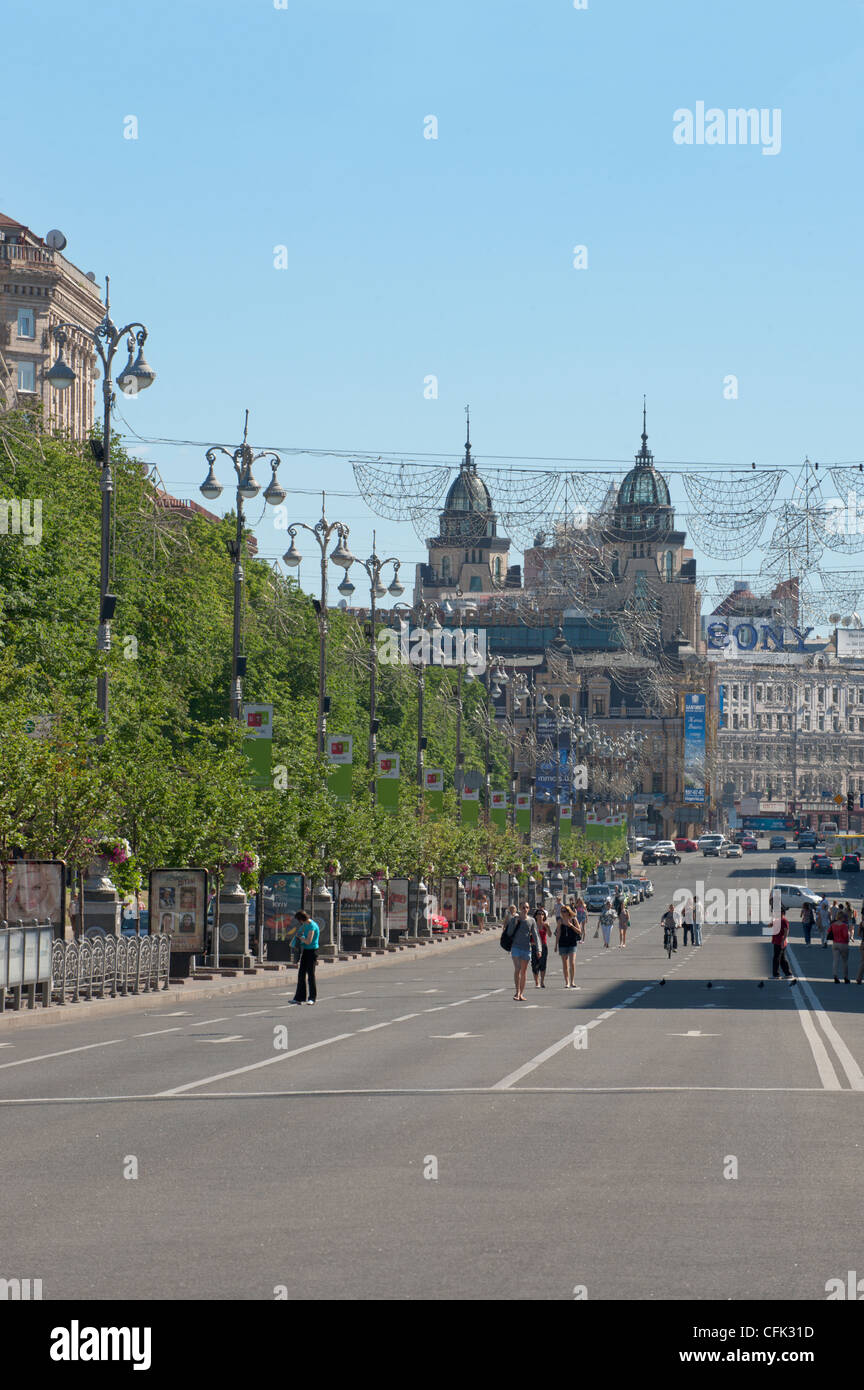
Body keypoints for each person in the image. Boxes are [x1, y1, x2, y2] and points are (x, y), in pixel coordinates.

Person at [510, 901, 539, 1001]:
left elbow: (535, 935)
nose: (525, 909)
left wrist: (539, 949)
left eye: (527, 907)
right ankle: (517, 992)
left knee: (524, 971)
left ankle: (521, 994)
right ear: (519, 908)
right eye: (523, 907)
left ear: (529, 909)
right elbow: (509, 932)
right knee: (517, 968)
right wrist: (515, 923)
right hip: (515, 947)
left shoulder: (531, 920)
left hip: (526, 948)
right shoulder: (515, 919)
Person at [292, 910, 320, 1003]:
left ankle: (312, 998)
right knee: (301, 974)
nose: (299, 922)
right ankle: (299, 997)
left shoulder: (312, 926)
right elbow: (298, 933)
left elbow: (308, 941)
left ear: (301, 919)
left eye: (299, 920)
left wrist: (301, 938)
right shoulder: (305, 925)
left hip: (312, 952)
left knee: (311, 975)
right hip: (305, 951)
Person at [555, 905, 581, 987]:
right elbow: (558, 933)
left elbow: (579, 931)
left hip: (572, 943)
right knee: (565, 964)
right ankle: (567, 982)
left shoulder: (573, 919)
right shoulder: (560, 921)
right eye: (562, 911)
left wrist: (571, 926)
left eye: (564, 911)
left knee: (572, 963)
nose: (563, 913)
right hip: (563, 944)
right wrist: (556, 945)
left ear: (568, 911)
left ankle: (572, 981)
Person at [827, 910, 851, 984]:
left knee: (835, 960)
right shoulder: (844, 926)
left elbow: (828, 932)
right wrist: (849, 936)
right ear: (843, 917)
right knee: (845, 962)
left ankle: (835, 975)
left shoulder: (833, 924)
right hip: (843, 944)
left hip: (835, 943)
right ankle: (846, 977)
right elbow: (845, 936)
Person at [771, 910, 793, 980]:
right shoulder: (777, 920)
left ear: (782, 913)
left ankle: (776, 975)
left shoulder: (784, 920)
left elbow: (786, 931)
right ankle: (788, 974)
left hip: (780, 941)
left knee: (776, 958)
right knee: (782, 958)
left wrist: (783, 941)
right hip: (776, 940)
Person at [531, 907, 550, 988]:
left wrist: (548, 927)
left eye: (542, 914)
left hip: (543, 946)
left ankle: (542, 981)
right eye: (539, 914)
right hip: (534, 946)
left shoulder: (545, 925)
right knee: (534, 965)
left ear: (544, 916)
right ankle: (536, 982)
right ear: (535, 916)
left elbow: (550, 935)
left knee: (543, 964)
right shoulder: (532, 925)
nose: (540, 915)